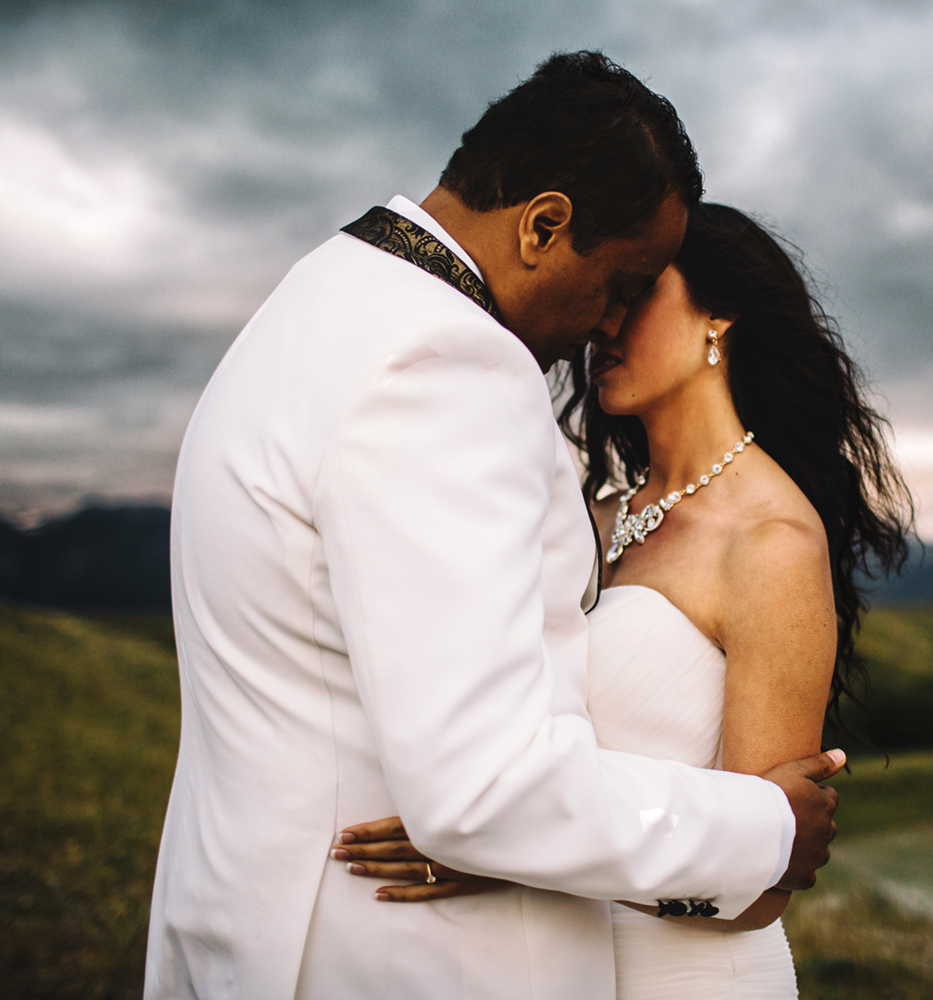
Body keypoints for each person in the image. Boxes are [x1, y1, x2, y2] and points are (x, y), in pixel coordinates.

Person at [144, 52, 845, 1000]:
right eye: (619, 281)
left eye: (643, 292)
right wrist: (761, 827)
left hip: (267, 929)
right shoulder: (444, 367)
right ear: (543, 224)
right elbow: (483, 789)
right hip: (382, 956)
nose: (608, 322)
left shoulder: (317, 305)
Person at [336, 203, 913, 997]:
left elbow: (762, 882)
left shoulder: (771, 542)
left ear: (719, 318)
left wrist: (507, 859)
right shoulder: (591, 516)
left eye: (636, 293)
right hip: (563, 971)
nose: (604, 321)